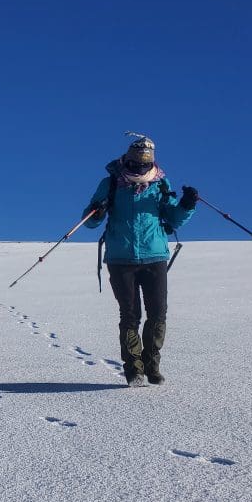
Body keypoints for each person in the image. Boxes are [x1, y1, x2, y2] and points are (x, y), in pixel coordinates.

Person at [83, 135, 197, 387]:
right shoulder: (110, 183)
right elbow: (90, 221)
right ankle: (133, 369)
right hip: (120, 258)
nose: (140, 169)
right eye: (136, 163)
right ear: (128, 159)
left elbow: (174, 219)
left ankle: (151, 363)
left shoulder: (160, 184)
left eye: (145, 164)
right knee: (130, 315)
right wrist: (97, 211)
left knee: (157, 313)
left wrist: (187, 205)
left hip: (154, 256)